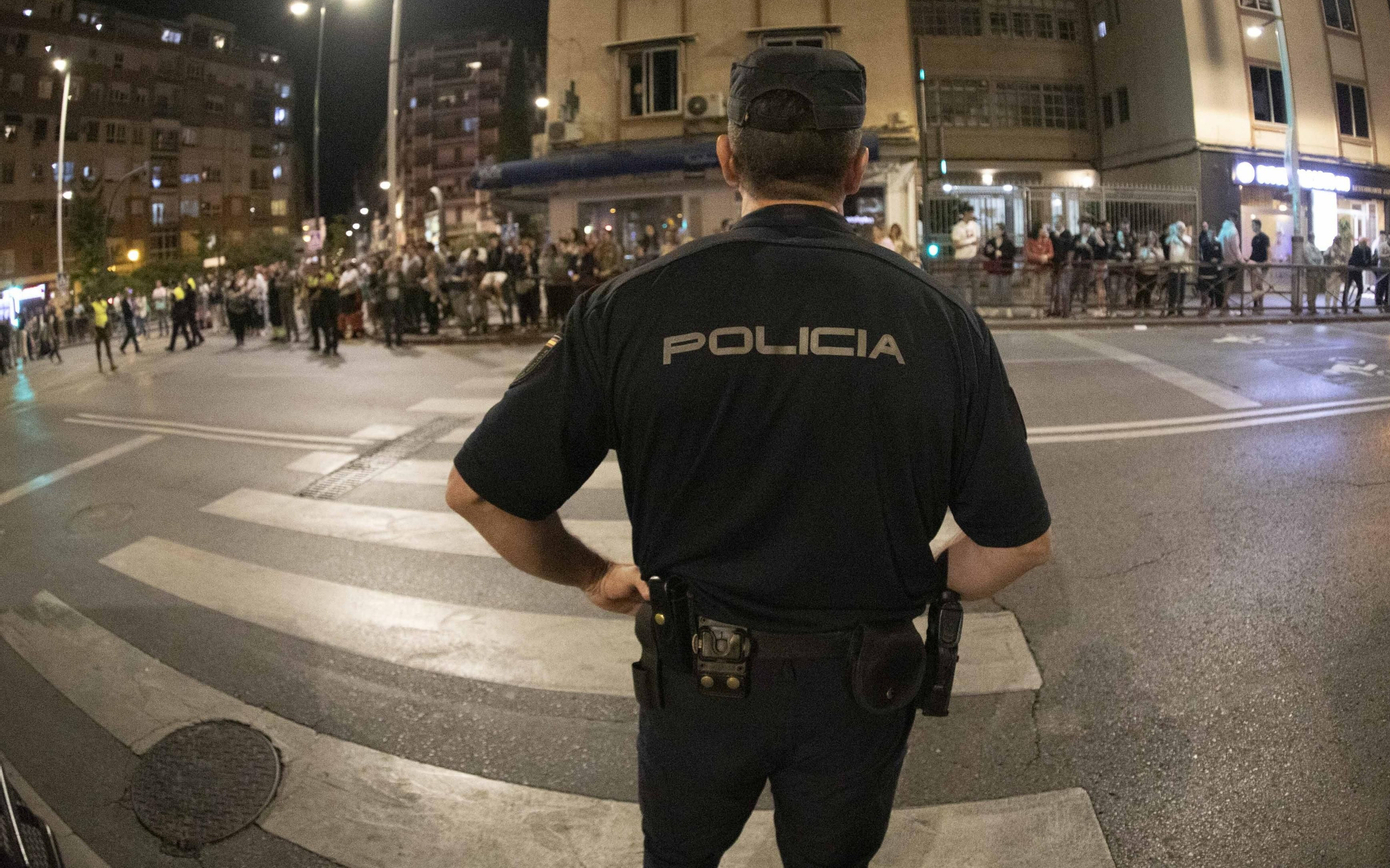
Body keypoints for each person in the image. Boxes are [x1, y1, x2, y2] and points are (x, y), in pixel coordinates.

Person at [446, 47, 1051, 868]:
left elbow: (479, 493)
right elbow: (1019, 542)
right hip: (861, 688)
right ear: (856, 169)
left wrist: (593, 575)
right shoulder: (943, 323)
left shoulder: (627, 310)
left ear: (728, 159)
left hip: (697, 684)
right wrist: (915, 581)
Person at [1164, 220, 1191, 316]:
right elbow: (1166, 243)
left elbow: (1188, 245)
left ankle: (1180, 309)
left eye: (1181, 228)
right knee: (1172, 290)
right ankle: (1171, 310)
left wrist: (1180, 238)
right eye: (1178, 228)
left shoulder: (1187, 238)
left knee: (1181, 290)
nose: (1180, 230)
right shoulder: (1172, 238)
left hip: (1182, 268)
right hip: (1173, 267)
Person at [1247, 218, 1271, 314]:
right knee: (1253, 285)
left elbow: (1268, 249)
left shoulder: (1264, 237)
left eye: (1253, 225)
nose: (1252, 227)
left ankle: (1261, 304)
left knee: (1258, 283)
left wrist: (1268, 260)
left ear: (1258, 226)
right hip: (1254, 263)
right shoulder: (1254, 239)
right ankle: (1255, 304)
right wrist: (1249, 261)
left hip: (1262, 263)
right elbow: (1253, 252)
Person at [1344, 237, 1372, 314]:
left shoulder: (1368, 250)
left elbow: (1369, 260)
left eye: (1364, 243)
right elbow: (1356, 260)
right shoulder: (1356, 249)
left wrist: (1366, 264)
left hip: (1358, 272)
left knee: (1360, 288)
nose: (1363, 244)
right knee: (1347, 287)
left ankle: (1356, 306)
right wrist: (1364, 263)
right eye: (1362, 243)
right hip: (1352, 270)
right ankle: (1344, 304)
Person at [119, 289, 141, 355]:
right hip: (127, 318)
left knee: (130, 334)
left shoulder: (132, 300)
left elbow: (134, 306)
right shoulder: (124, 301)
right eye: (128, 293)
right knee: (133, 333)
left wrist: (135, 308)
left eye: (130, 292)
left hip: (132, 317)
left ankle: (122, 347)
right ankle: (137, 348)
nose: (129, 294)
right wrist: (130, 310)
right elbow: (125, 311)